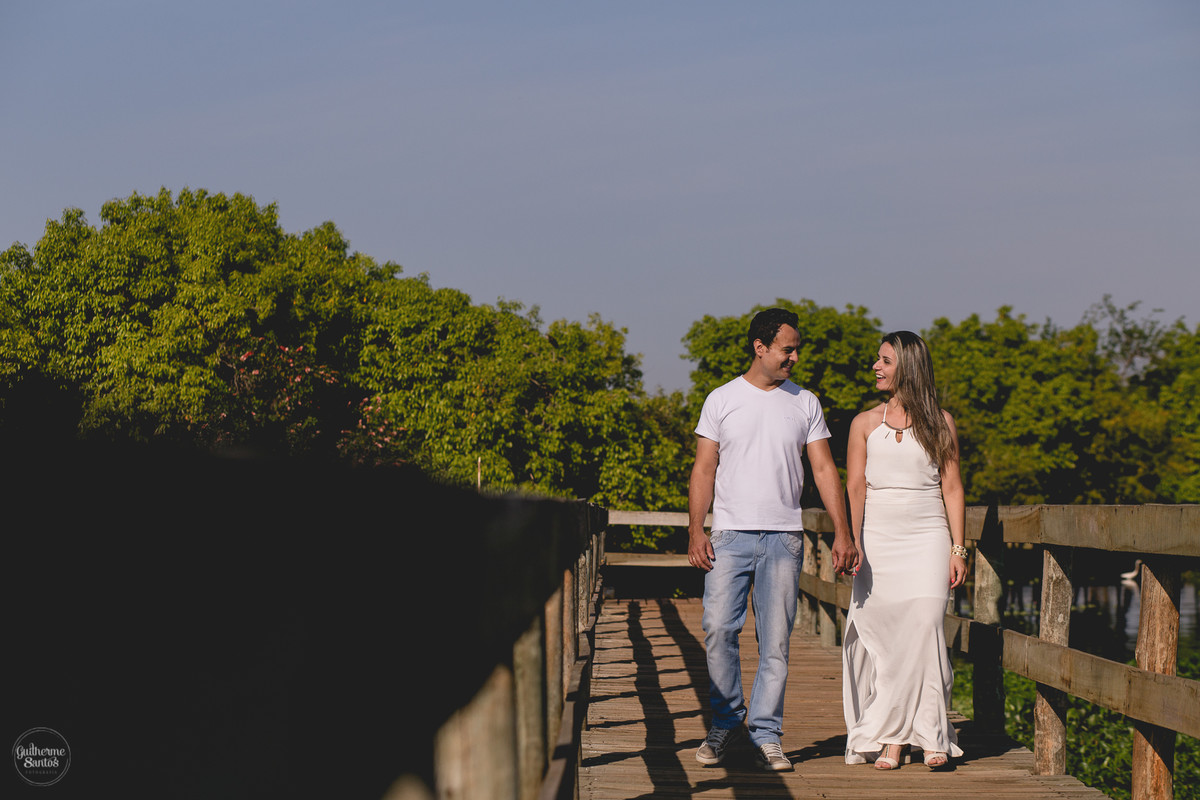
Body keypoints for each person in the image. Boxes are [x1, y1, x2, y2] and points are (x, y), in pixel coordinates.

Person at [688, 307, 859, 772]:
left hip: (784, 538)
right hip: (729, 535)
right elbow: (704, 468)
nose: (795, 358)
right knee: (718, 629)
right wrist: (696, 529)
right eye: (788, 349)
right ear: (760, 347)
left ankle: (766, 734)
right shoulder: (721, 399)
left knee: (777, 642)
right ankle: (726, 723)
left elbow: (823, 468)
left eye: (796, 349)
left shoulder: (805, 402)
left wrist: (843, 531)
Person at [841, 330, 967, 770]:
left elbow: (952, 487)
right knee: (890, 639)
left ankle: (930, 732)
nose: (876, 367)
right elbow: (855, 487)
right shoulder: (863, 424)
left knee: (927, 627)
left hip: (928, 535)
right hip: (878, 538)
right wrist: (854, 541)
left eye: (885, 360)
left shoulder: (941, 422)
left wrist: (959, 548)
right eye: (877, 359)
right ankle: (893, 738)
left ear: (908, 366)